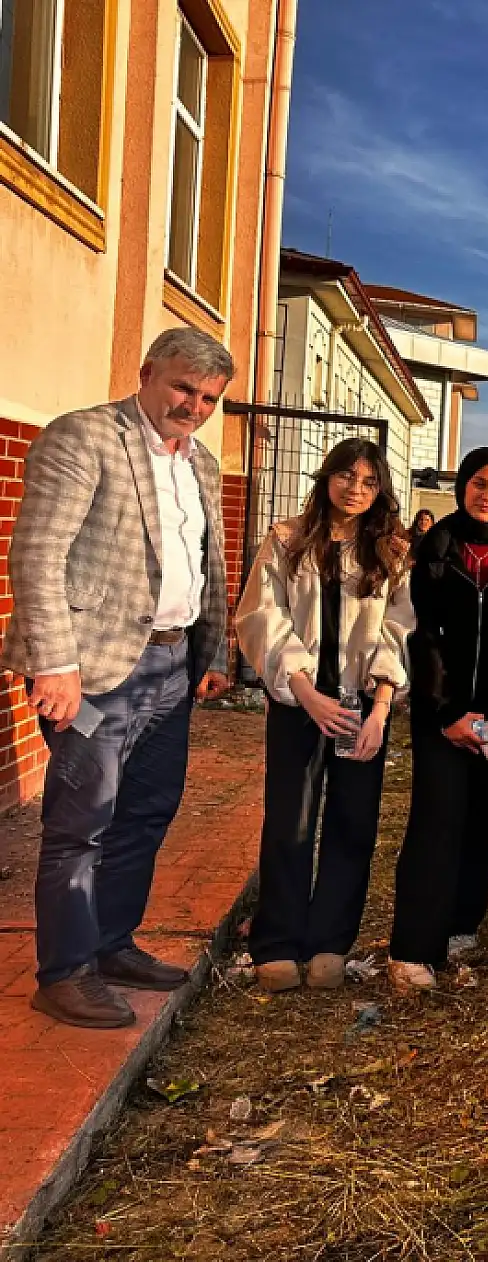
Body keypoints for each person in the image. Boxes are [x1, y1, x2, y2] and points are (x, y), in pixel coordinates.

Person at [0, 327, 234, 1028]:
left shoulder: (202, 463)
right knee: (82, 823)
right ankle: (64, 973)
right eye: (183, 388)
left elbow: (207, 565)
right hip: (94, 670)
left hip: (170, 666)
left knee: (146, 812)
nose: (194, 406)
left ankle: (110, 944)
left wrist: (212, 654)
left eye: (209, 398)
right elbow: (37, 554)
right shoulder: (84, 438)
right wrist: (55, 666)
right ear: (147, 373)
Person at [235, 439, 414, 993]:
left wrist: (380, 710)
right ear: (326, 476)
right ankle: (277, 942)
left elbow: (398, 631)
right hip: (300, 704)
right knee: (289, 821)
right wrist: (305, 692)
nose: (355, 489)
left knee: (353, 823)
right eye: (346, 476)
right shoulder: (286, 541)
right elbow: (264, 617)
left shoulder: (391, 553)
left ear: (381, 489)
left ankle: (330, 942)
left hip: (362, 707)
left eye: (369, 481)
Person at [387, 448, 488, 991]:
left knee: (482, 820)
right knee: (437, 820)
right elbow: (422, 637)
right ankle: (414, 948)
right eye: (480, 484)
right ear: (462, 487)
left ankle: (461, 924)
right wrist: (448, 712)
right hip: (444, 718)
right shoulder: (435, 548)